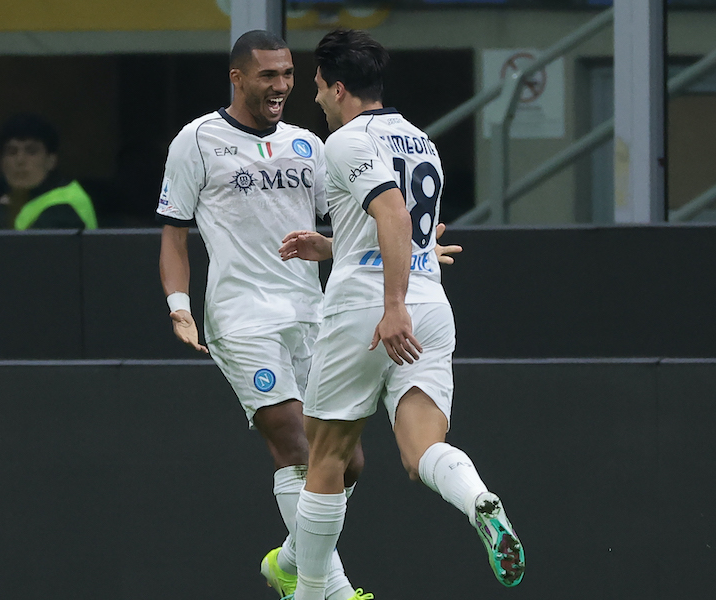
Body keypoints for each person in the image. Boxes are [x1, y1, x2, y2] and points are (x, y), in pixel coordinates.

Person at [278, 29, 525, 600]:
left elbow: (390, 213)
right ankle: (479, 500)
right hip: (431, 302)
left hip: (370, 309)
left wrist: (390, 307)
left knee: (327, 456)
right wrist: (332, 245)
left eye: (316, 88)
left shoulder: (343, 141)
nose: (314, 100)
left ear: (339, 88)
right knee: (422, 452)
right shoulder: (419, 139)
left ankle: (313, 594)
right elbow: (402, 229)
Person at [156, 30, 370, 600]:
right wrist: (180, 308)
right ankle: (333, 591)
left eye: (289, 75)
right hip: (241, 317)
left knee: (347, 463)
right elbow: (174, 236)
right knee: (297, 444)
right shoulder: (196, 140)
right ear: (237, 78)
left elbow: (342, 226)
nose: (281, 87)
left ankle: (289, 564)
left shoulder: (310, 144)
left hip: (313, 313)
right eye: (268, 76)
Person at [0, 113, 98, 230]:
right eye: (12, 152)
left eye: (31, 151)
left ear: (51, 161)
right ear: (2, 163)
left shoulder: (63, 208)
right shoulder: (12, 202)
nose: (20, 160)